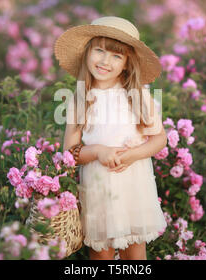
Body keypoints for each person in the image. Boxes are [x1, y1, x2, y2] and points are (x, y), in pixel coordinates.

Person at [54, 16, 167, 260]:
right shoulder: (79, 98)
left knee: (134, 255)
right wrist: (97, 151)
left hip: (133, 187)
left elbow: (159, 139)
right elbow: (70, 153)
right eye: (100, 51)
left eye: (117, 56)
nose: (105, 61)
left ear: (127, 63)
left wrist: (133, 155)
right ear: (87, 52)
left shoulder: (137, 95)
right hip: (97, 189)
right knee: (100, 254)